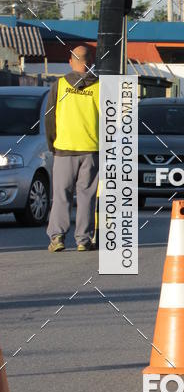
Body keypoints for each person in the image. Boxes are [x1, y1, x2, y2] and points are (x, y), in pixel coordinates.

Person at [44, 45, 100, 251]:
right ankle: (83, 240)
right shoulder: (100, 86)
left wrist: (52, 143)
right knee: (86, 196)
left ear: (70, 61)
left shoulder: (58, 85)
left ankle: (57, 237)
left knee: (61, 194)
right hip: (91, 149)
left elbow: (50, 117)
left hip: (64, 148)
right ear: (91, 62)